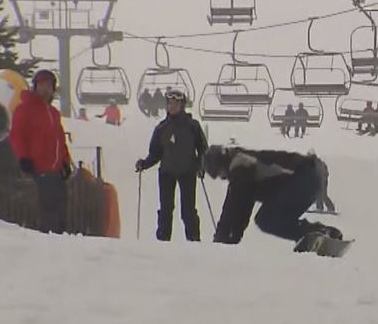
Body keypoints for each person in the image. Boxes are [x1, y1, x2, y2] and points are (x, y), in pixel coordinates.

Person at [202, 145, 342, 250]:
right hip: (309, 179)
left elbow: (233, 205)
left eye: (219, 173)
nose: (222, 178)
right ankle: (321, 233)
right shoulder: (242, 164)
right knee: (276, 219)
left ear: (221, 162)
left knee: (265, 219)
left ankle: (311, 234)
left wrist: (221, 240)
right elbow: (243, 207)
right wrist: (232, 240)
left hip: (304, 178)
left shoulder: (239, 165)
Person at [134, 88, 207, 241]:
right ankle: (163, 241)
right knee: (166, 209)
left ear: (182, 105)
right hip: (167, 173)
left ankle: (194, 241)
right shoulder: (162, 128)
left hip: (187, 172)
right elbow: (155, 153)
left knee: (188, 211)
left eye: (175, 103)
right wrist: (144, 164)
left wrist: (201, 166)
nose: (172, 106)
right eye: (170, 103)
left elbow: (202, 149)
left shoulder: (192, 126)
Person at [9, 69, 74, 234]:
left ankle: (59, 237)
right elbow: (17, 135)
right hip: (39, 168)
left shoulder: (53, 114)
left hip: (56, 170)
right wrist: (23, 157)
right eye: (42, 85)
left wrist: (65, 161)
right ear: (35, 87)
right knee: (47, 207)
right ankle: (46, 238)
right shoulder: (25, 109)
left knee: (60, 207)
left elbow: (60, 140)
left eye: (49, 86)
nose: (45, 89)